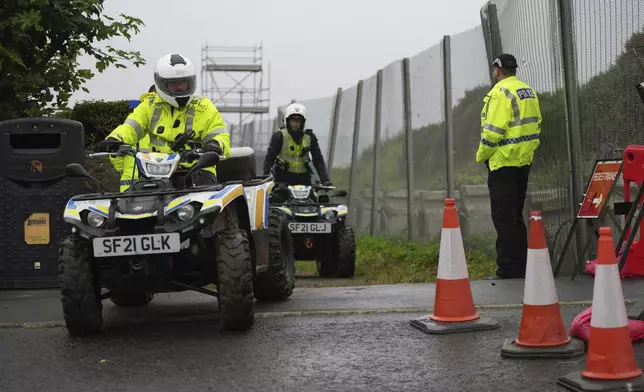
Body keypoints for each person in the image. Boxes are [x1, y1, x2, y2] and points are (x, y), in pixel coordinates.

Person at [96, 53, 230, 189]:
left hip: (197, 169)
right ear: (162, 84)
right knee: (137, 205)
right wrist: (113, 139)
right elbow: (130, 127)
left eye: (183, 82)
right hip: (155, 171)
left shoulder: (205, 106)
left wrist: (215, 144)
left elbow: (220, 134)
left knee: (206, 205)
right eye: (174, 83)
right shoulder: (148, 106)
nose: (180, 88)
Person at [475, 53, 542, 280]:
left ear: (497, 70)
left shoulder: (500, 93)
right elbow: (536, 124)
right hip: (523, 160)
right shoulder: (527, 91)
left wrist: (481, 155)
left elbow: (493, 131)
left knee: (503, 217)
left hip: (503, 161)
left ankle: (509, 269)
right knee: (514, 215)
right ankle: (521, 266)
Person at [262, 102, 332, 186]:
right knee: (278, 197)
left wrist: (324, 179)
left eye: (298, 121)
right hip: (282, 179)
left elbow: (318, 159)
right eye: (293, 121)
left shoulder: (310, 137)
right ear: (287, 121)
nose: (295, 124)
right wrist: (266, 178)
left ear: (302, 122)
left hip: (303, 179)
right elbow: (269, 158)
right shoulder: (279, 136)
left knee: (313, 198)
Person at [109, 85, 156, 191]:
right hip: (159, 183)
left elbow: (115, 157)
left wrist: (126, 170)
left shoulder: (128, 131)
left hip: (129, 187)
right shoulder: (158, 130)